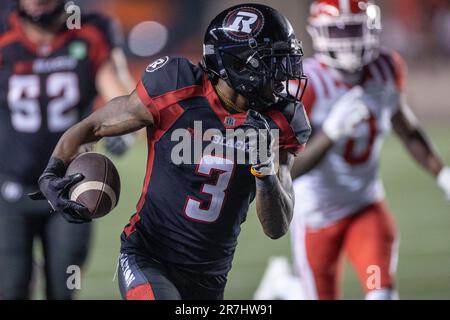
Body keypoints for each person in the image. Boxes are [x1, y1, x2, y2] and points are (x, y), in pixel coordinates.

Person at [30, 3, 312, 300]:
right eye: (271, 63)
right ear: (238, 64)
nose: (283, 76)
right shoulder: (177, 87)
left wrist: (265, 172)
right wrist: (53, 169)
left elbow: (277, 227)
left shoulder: (281, 119)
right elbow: (94, 126)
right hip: (148, 255)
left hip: (211, 275)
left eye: (285, 61)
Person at [255, 0, 450, 301]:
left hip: (365, 207)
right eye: (338, 31)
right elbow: (287, 170)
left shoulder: (386, 67)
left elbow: (407, 129)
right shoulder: (304, 84)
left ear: (371, 30)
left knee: (382, 295)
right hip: (316, 216)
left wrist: (443, 174)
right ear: (318, 33)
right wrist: (330, 134)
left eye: (354, 30)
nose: (348, 40)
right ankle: (284, 286)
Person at [0, 0, 134, 300]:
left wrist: (124, 131)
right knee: (10, 287)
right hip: (10, 187)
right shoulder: (4, 34)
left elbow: (120, 95)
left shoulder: (90, 31)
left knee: (64, 289)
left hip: (71, 185)